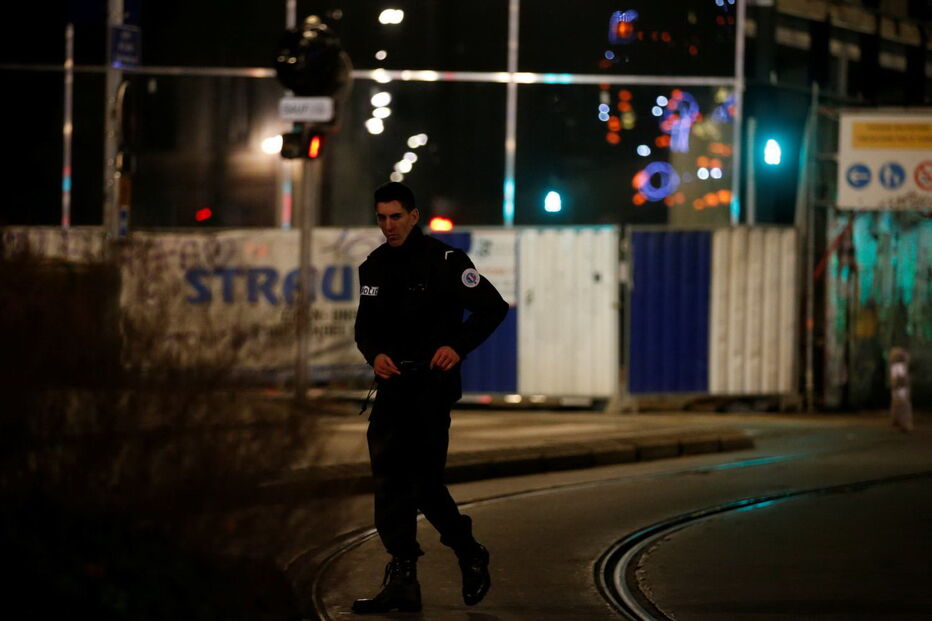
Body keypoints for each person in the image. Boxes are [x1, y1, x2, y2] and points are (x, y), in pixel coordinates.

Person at [352, 182, 508, 613]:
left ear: (413, 216)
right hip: (392, 390)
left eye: (396, 217)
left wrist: (457, 346)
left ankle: (468, 550)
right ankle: (403, 576)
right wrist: (375, 354)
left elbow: (492, 308)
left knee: (424, 484)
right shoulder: (375, 266)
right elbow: (365, 328)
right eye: (381, 218)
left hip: (431, 390)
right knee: (388, 485)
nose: (388, 226)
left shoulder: (446, 262)